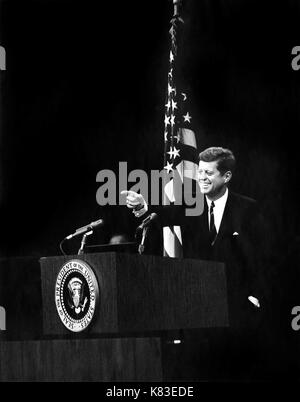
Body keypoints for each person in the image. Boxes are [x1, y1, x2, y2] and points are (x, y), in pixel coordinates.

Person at [122, 147, 270, 380]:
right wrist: (142, 206)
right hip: (200, 314)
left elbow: (261, 258)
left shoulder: (248, 209)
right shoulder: (191, 206)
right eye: (199, 171)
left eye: (209, 173)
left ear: (226, 176)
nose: (201, 177)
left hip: (239, 311)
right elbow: (164, 214)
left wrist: (256, 295)